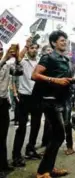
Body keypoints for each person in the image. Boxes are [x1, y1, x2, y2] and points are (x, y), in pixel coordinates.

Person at [32, 30, 75, 178]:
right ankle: (42, 172)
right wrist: (55, 80)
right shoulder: (48, 57)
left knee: (56, 136)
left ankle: (48, 169)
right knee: (59, 135)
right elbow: (35, 75)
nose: (65, 43)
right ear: (53, 43)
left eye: (66, 40)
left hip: (61, 100)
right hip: (49, 101)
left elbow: (63, 78)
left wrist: (73, 80)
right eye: (62, 40)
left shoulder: (66, 60)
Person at [12, 41, 43, 167]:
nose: (34, 50)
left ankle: (30, 149)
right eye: (31, 48)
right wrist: (26, 46)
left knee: (36, 125)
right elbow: (18, 58)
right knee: (22, 128)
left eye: (36, 48)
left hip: (37, 97)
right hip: (24, 97)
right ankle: (16, 155)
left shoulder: (40, 63)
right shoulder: (23, 62)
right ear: (28, 49)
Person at [0, 42, 20, 174]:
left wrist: (17, 58)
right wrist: (3, 60)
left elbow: (20, 72)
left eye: (1, 49)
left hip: (2, 103)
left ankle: (3, 164)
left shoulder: (7, 65)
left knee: (2, 136)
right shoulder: (3, 63)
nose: (0, 51)